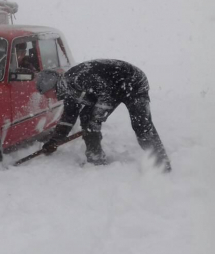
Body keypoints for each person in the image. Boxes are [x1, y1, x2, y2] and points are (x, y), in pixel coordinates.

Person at [36, 59, 171, 172]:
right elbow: (68, 118)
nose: (47, 97)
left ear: (51, 87)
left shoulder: (77, 79)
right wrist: (54, 141)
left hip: (133, 81)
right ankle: (95, 158)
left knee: (141, 125)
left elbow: (107, 96)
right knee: (87, 119)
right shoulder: (68, 92)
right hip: (110, 88)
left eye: (46, 93)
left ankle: (161, 163)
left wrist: (97, 119)